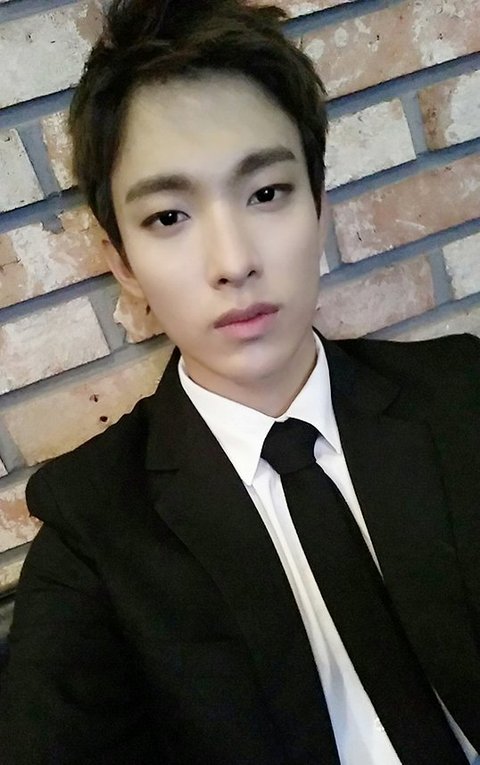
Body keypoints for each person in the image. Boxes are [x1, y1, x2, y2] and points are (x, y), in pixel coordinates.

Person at [1, 0, 480, 763]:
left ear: (320, 207)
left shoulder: (462, 393)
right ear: (123, 261)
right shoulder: (96, 527)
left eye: (266, 193)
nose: (233, 261)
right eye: (168, 217)